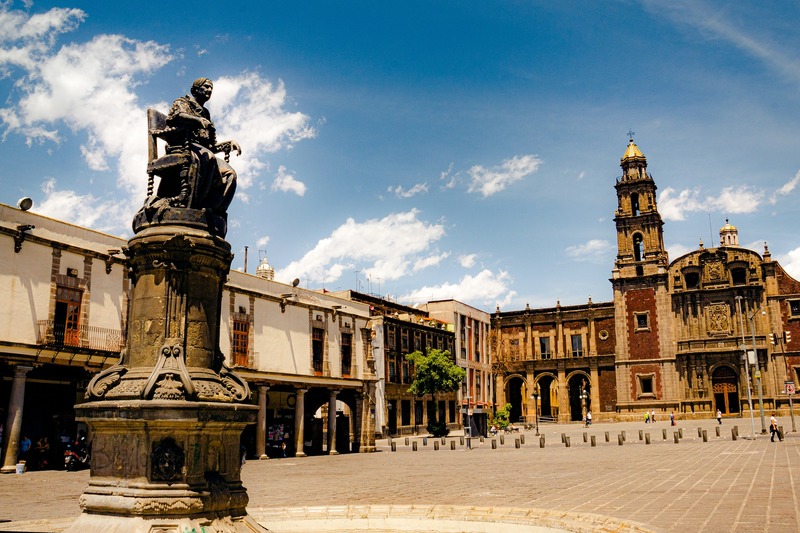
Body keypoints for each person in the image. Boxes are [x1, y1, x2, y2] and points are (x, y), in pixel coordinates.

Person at [162, 77, 241, 215]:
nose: (209, 90)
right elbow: (176, 117)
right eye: (206, 87)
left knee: (230, 174)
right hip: (182, 147)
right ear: (196, 89)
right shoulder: (182, 102)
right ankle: (192, 205)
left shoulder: (206, 113)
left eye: (211, 88)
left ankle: (213, 210)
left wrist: (228, 143)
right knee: (208, 158)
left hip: (203, 151)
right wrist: (197, 120)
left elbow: (211, 146)